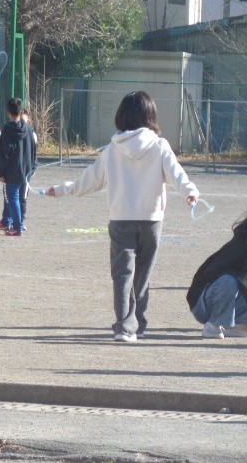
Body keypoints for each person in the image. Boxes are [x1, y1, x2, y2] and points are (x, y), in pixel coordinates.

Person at [47, 91, 199, 342]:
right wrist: (190, 192)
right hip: (152, 220)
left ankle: (126, 326)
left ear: (121, 116)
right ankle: (137, 324)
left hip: (120, 219)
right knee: (142, 275)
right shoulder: (159, 145)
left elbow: (90, 180)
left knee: (122, 275)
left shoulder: (112, 149)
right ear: (151, 115)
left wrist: (62, 189)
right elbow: (177, 174)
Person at [187, 215, 247, 339]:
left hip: (233, 301)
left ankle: (237, 325)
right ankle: (213, 325)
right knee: (228, 281)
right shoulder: (239, 246)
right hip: (203, 304)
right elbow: (211, 276)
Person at [0, 98, 37, 237]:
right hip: (25, 170)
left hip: (12, 171)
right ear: (21, 112)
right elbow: (33, 149)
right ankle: (8, 222)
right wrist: (33, 167)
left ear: (8, 113)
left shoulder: (7, 130)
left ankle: (17, 227)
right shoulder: (28, 129)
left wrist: (0, 172)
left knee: (12, 197)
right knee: (16, 197)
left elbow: (3, 153)